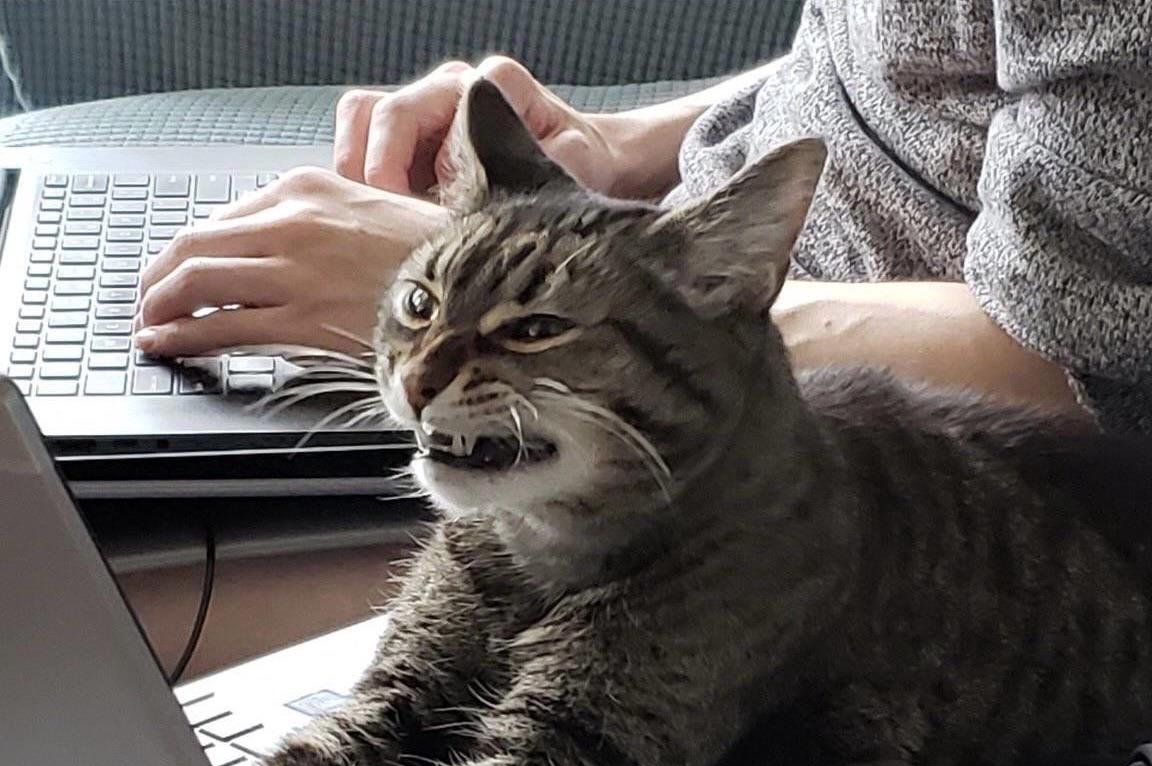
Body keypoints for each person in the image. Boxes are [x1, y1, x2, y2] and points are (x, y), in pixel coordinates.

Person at [135, 2, 1152, 431]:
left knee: (75, 608)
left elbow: (1086, 370)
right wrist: (619, 152)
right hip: (654, 337)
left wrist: (462, 289)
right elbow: (913, 63)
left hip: (812, 486)